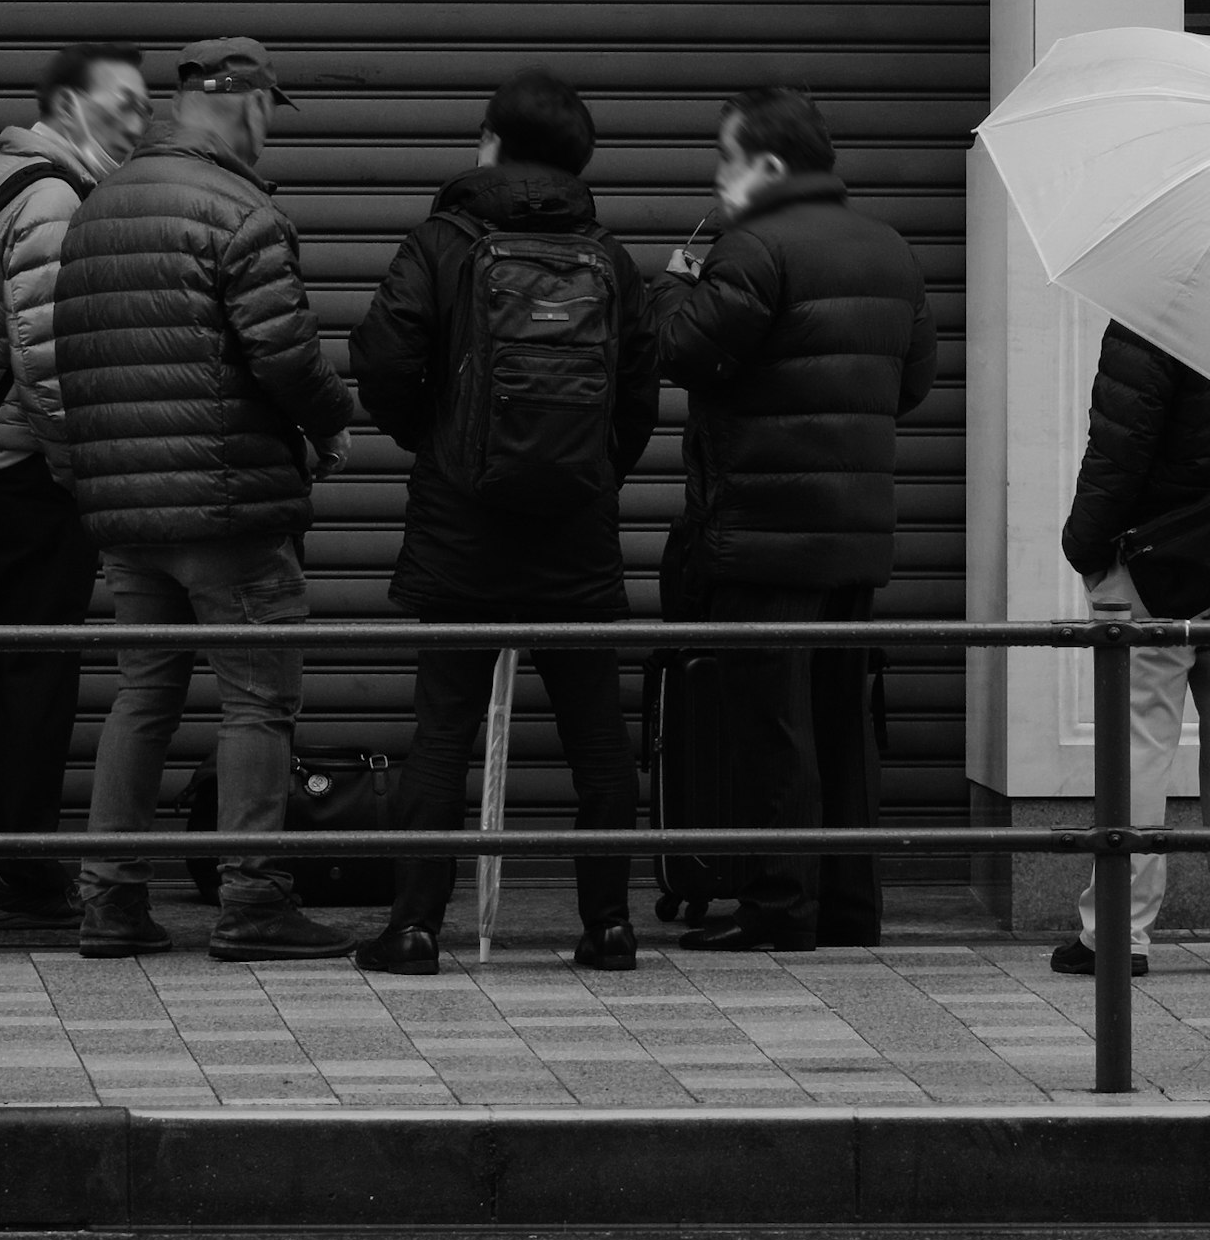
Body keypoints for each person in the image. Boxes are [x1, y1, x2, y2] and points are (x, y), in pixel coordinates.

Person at [346, 64, 660, 978]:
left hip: (461, 527)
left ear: (489, 142)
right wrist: (594, 473)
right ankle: (608, 927)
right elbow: (639, 397)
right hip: (577, 533)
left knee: (444, 729)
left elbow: (381, 362)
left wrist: (439, 443)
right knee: (597, 737)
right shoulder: (610, 257)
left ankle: (412, 930)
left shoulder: (440, 243)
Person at [51, 37, 358, 962]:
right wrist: (333, 423)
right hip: (225, 506)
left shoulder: (99, 205)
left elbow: (67, 358)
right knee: (259, 699)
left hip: (127, 511)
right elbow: (285, 352)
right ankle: (254, 900)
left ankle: (109, 900)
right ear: (251, 105)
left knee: (143, 694)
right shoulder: (240, 211)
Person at [649, 83, 937, 951]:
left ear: (767, 166)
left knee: (771, 727)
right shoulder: (888, 249)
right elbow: (913, 385)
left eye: (725, 158)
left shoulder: (754, 248)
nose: (716, 176)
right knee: (842, 725)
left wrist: (672, 287)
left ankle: (780, 910)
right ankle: (851, 907)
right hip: (853, 540)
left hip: (764, 537)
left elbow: (681, 350)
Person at [0, 38, 152, 928]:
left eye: (147, 107)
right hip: (29, 467)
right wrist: (79, 467)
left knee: (0, 662)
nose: (138, 123)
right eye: (123, 104)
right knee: (37, 667)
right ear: (69, 105)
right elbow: (47, 357)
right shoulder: (51, 196)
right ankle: (21, 868)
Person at [1049, 318, 1210, 980]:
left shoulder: (1155, 310)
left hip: (1153, 559)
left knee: (1137, 743)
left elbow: (1118, 451)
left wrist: (1085, 548)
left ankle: (1117, 935)